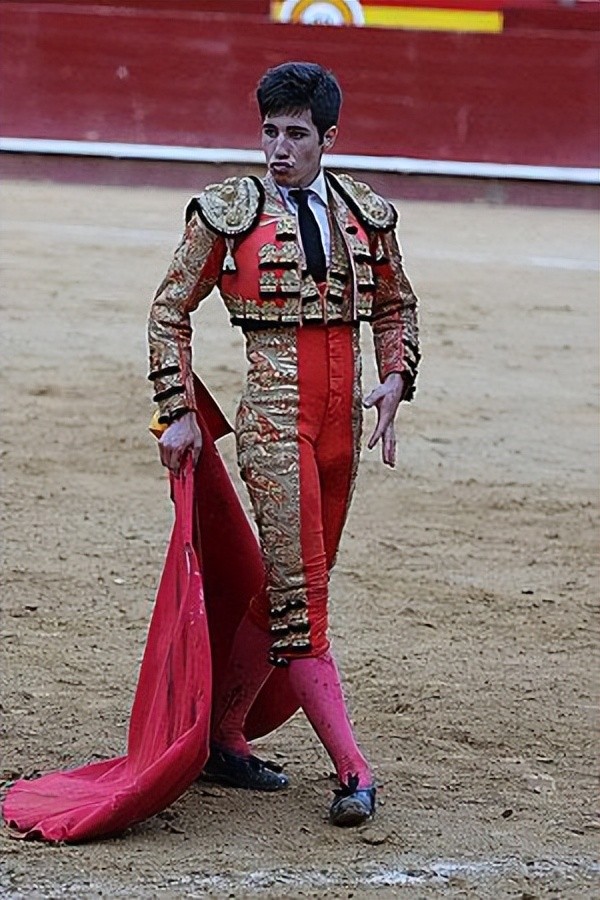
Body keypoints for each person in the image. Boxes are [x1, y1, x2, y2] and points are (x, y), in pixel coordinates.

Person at [147, 61, 419, 827]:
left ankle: (224, 735)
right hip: (274, 423)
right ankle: (353, 771)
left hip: (341, 432)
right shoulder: (227, 213)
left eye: (296, 134)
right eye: (269, 131)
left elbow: (395, 303)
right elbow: (169, 311)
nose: (277, 148)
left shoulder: (364, 213)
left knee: (290, 588)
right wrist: (177, 409)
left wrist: (395, 376)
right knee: (306, 603)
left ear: (328, 137)